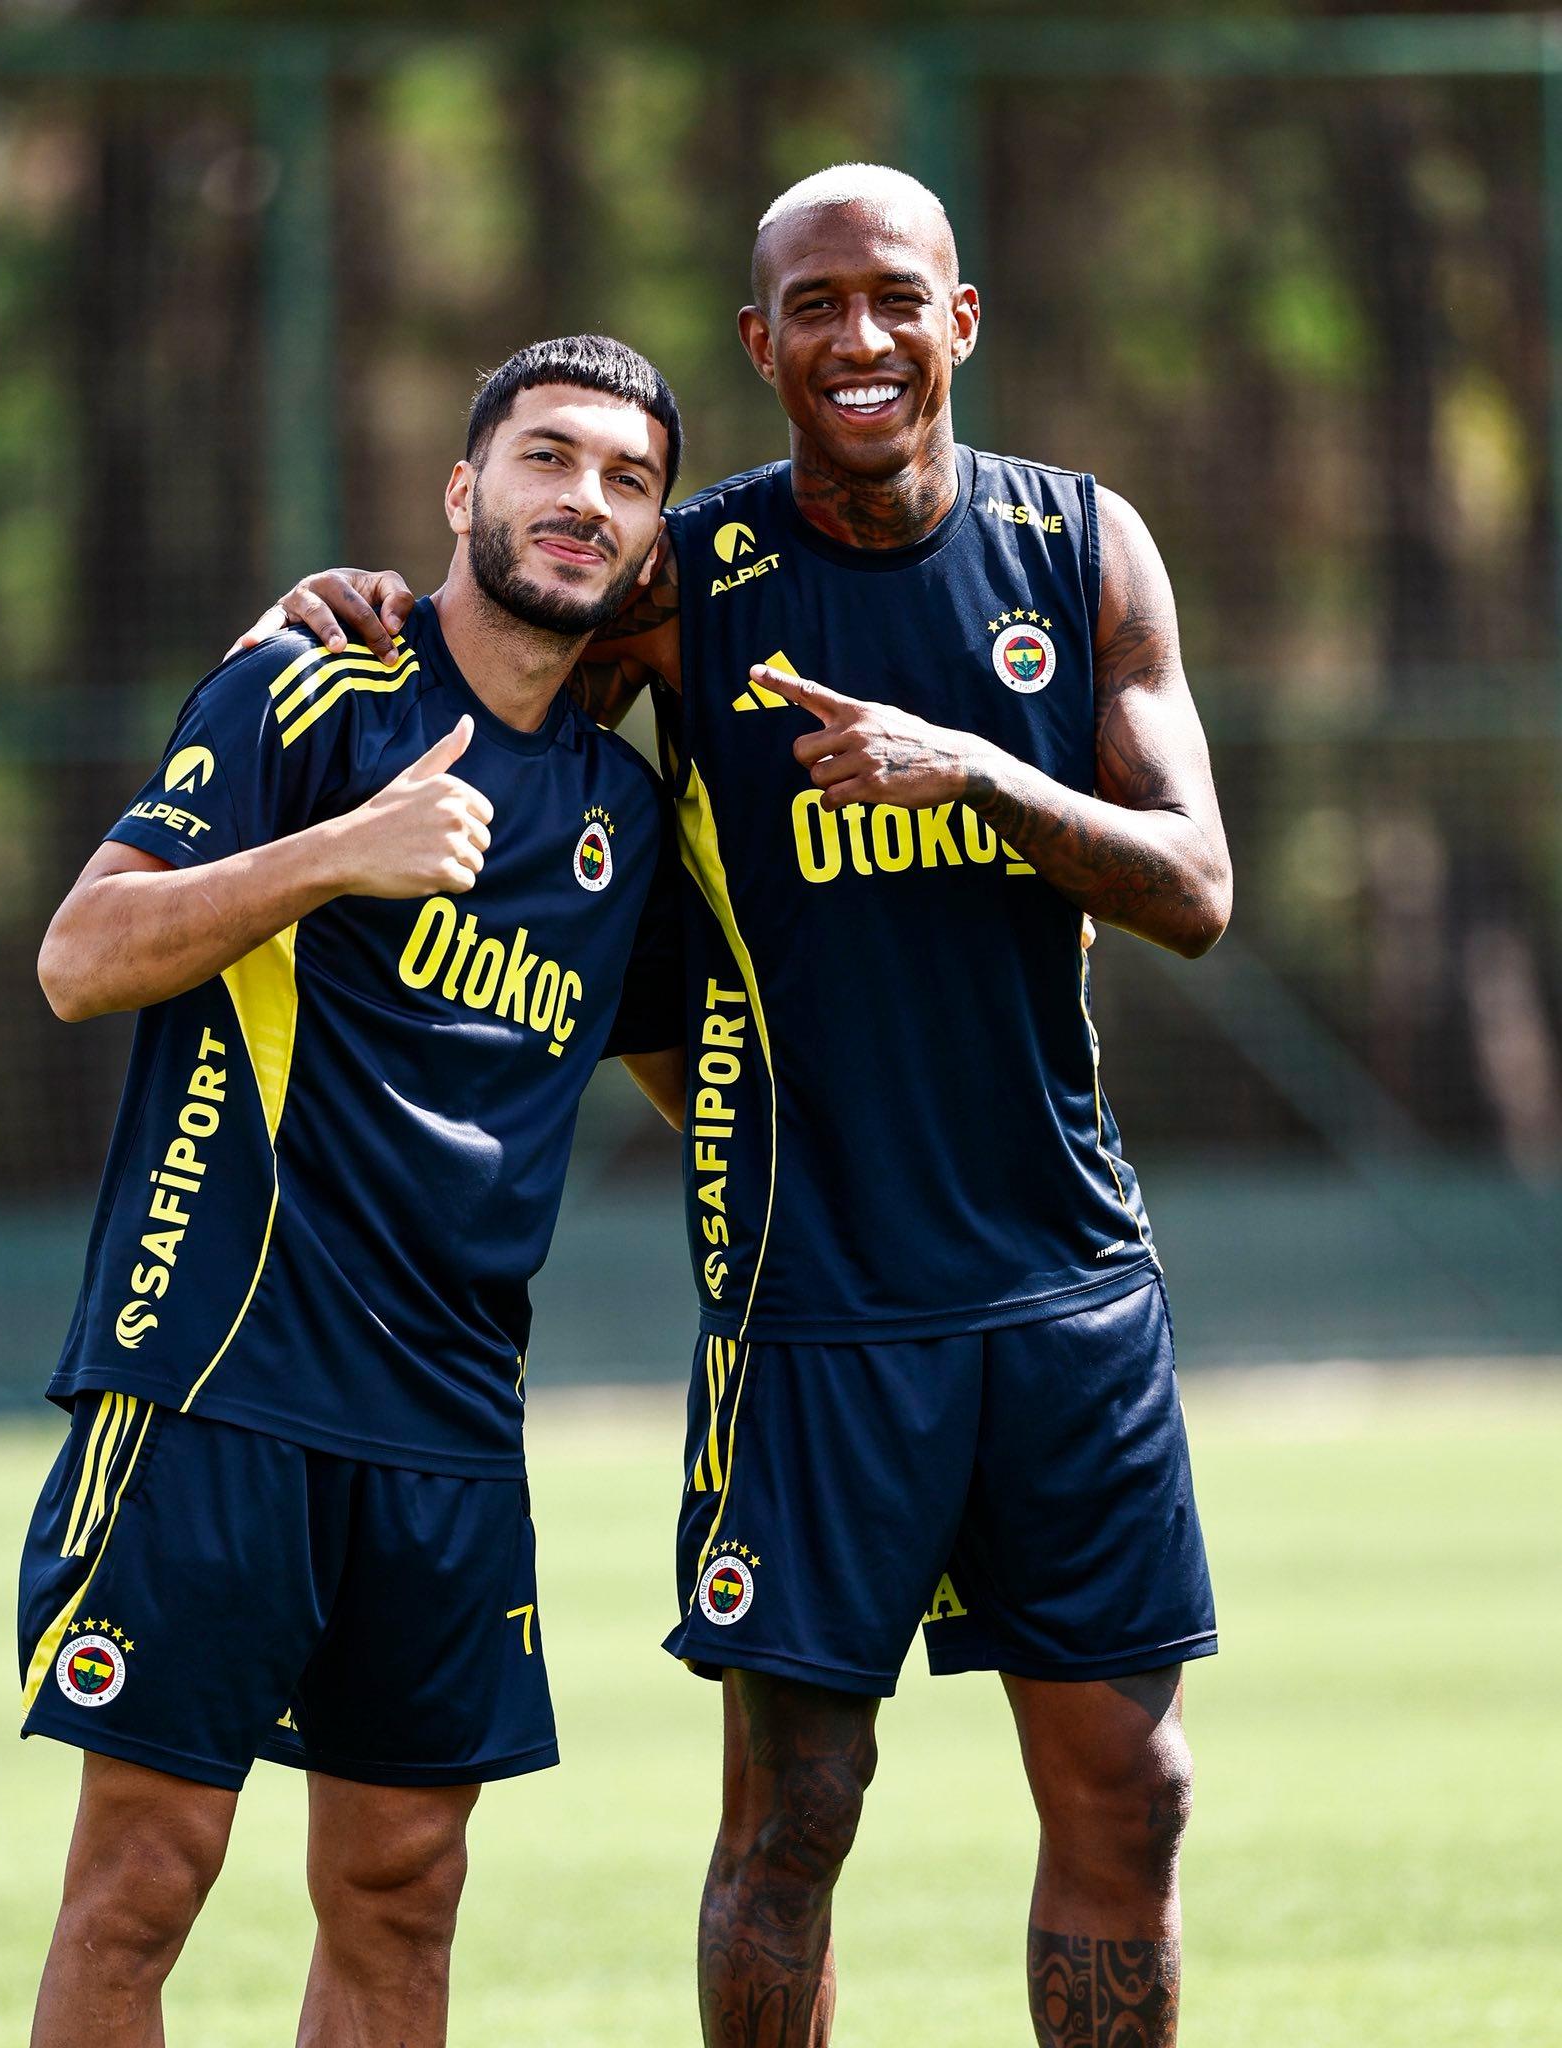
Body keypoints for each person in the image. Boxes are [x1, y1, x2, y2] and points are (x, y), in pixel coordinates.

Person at [265, 163, 1233, 2048]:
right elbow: (493, 666)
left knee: (1136, 1792)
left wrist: (973, 770)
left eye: (896, 300)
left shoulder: (1080, 547)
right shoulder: (685, 584)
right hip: (812, 1306)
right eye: (816, 308)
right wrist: (335, 606)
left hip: (1066, 1287)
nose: (860, 339)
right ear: (760, 344)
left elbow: (1193, 887)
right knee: (794, 1820)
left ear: (961, 321)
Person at [17, 335, 689, 2048]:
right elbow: (81, 958)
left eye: (626, 482)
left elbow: (692, 1077)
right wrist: (340, 854)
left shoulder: (623, 812)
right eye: (547, 459)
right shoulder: (307, 692)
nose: (584, 500)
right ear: (463, 491)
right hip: (220, 1377)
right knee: (143, 1883)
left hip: (450, 1422)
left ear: (647, 546)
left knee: (402, 1894)